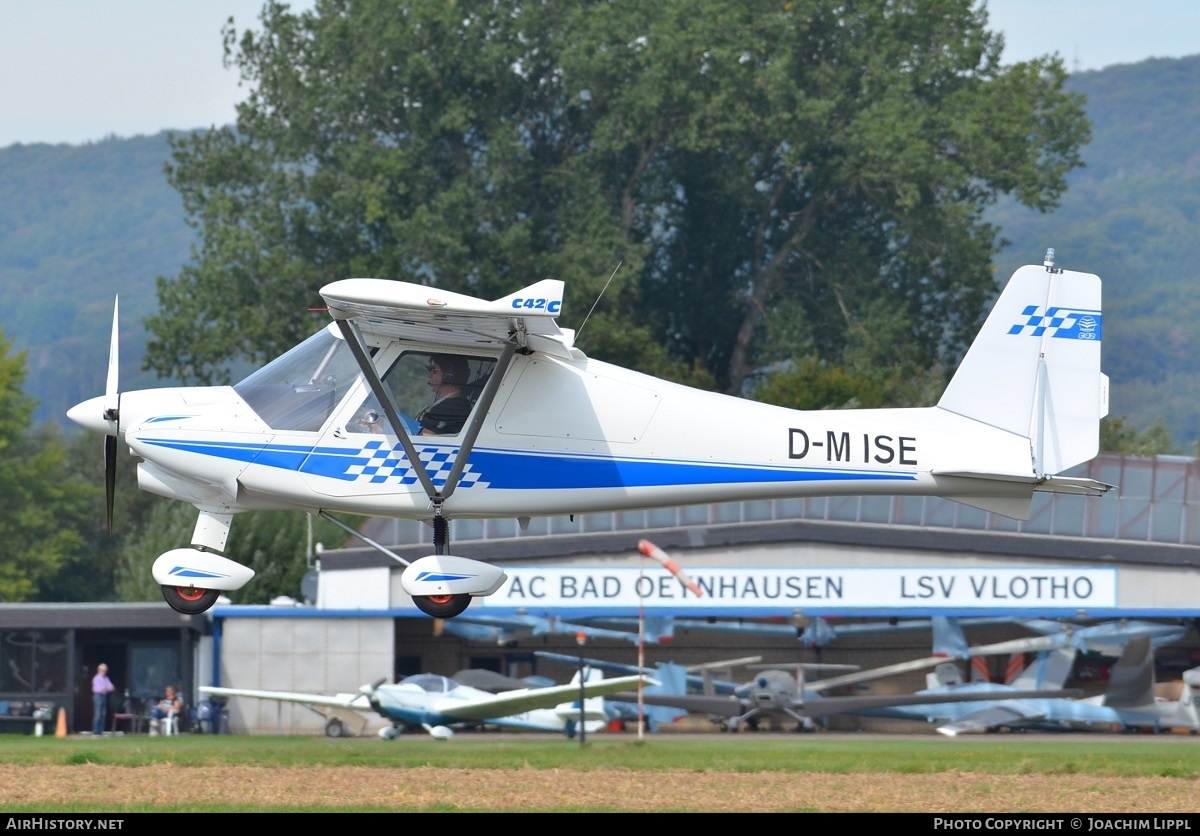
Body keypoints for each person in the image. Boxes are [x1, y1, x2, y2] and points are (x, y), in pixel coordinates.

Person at [416, 354, 472, 435]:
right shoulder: (453, 404)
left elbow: (425, 438)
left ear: (449, 375)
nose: (429, 375)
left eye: (433, 370)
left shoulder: (451, 407)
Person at [91, 663, 115, 736]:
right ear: (99, 670)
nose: (104, 671)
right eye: (103, 670)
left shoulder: (106, 678)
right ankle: (96, 732)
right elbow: (97, 689)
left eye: (105, 670)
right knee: (98, 714)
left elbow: (112, 687)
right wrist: (105, 688)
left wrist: (105, 688)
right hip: (98, 696)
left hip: (104, 697)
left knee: (103, 714)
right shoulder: (96, 678)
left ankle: (100, 731)